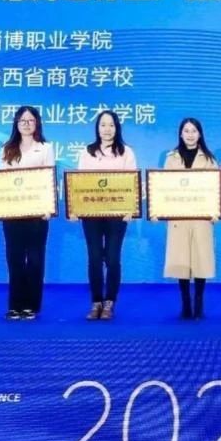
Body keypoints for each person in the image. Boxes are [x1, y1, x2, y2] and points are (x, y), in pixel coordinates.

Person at [75, 110, 137, 321]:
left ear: (117, 128)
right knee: (94, 258)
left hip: (117, 214)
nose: (107, 129)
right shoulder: (87, 152)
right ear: (97, 128)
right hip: (91, 214)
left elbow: (132, 184)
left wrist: (130, 209)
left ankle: (110, 302)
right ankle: (96, 302)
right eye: (103, 125)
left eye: (111, 125)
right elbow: (79, 184)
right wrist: (76, 209)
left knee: (112, 257)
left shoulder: (126, 152)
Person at [0, 106, 53, 320]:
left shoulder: (45, 148)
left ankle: (31, 305)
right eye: (22, 120)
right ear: (16, 123)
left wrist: (48, 207)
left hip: (37, 213)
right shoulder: (7, 148)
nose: (27, 124)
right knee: (14, 258)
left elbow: (48, 179)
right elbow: (0, 182)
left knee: (35, 259)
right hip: (12, 212)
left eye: (31, 120)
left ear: (37, 123)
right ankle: (15, 305)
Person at [162, 118, 217, 320]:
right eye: (186, 131)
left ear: (200, 134)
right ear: (181, 134)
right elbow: (163, 188)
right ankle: (185, 303)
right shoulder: (171, 158)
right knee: (181, 261)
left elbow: (216, 189)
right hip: (179, 217)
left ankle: (199, 302)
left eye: (194, 131)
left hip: (201, 217)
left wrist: (215, 212)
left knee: (201, 259)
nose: (190, 134)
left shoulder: (209, 159)